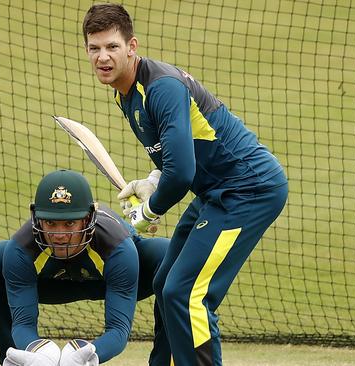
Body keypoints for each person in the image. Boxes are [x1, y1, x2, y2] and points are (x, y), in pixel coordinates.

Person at [82, 4, 289, 366]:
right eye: (94, 48)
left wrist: (148, 212)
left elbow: (181, 174)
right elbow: (176, 156)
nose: (103, 57)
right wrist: (151, 181)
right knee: (165, 285)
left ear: (132, 46)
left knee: (187, 292)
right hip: (216, 190)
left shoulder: (161, 88)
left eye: (112, 47)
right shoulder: (125, 92)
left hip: (249, 189)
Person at [0, 169, 170, 365]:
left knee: (169, 255)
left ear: (88, 218)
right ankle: (17, 360)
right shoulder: (21, 248)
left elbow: (118, 330)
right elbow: (23, 324)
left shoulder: (117, 248)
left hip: (116, 278)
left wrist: (88, 355)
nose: (60, 235)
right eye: (50, 222)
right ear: (36, 217)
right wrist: (37, 351)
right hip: (48, 284)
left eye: (69, 224)